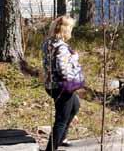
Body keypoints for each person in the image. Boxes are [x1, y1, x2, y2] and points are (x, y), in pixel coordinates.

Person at [42, 16, 83, 150]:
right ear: (65, 29)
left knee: (75, 106)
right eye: (70, 28)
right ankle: (51, 148)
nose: (71, 30)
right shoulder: (62, 47)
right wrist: (74, 60)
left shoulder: (48, 42)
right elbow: (63, 70)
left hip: (50, 84)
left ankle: (62, 137)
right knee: (61, 119)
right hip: (61, 87)